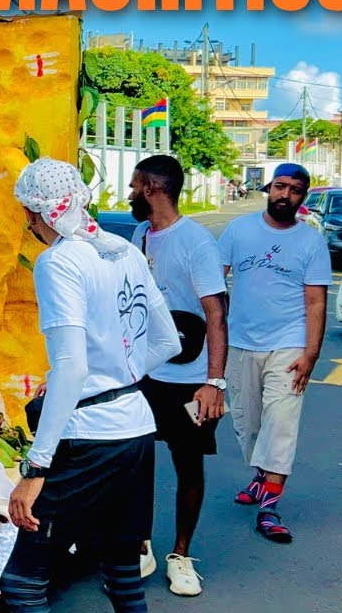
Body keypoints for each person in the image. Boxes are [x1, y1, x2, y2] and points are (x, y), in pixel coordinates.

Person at [1, 158, 181, 613]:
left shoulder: (58, 261)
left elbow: (71, 366)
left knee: (23, 583)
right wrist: (118, 375)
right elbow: (167, 341)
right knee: (122, 573)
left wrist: (34, 470)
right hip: (136, 430)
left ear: (36, 212)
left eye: (27, 212)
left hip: (89, 439)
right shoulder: (124, 250)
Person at [127, 155, 229, 596]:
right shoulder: (139, 234)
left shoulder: (197, 243)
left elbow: (217, 315)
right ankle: (140, 543)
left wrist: (214, 382)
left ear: (151, 187)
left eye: (134, 185)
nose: (130, 193)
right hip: (145, 374)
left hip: (190, 379)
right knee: (133, 462)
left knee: (188, 468)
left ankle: (181, 556)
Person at [217, 163, 330, 544]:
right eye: (280, 186)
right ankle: (261, 476)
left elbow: (315, 302)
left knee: (280, 423)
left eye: (295, 190)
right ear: (268, 188)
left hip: (290, 343)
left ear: (303, 196)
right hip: (241, 342)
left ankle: (269, 508)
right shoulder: (239, 230)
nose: (286, 195)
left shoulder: (311, 242)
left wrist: (311, 354)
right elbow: (215, 285)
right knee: (247, 424)